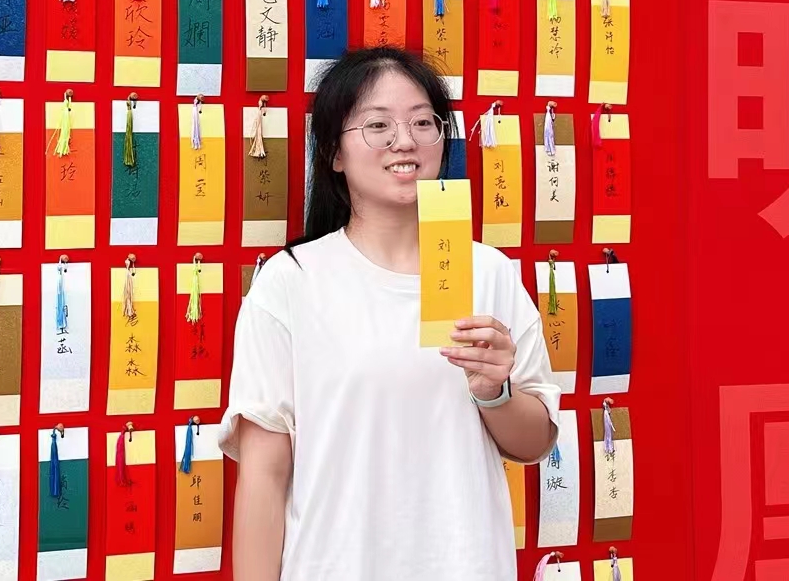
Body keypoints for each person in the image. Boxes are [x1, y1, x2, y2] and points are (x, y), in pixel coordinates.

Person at [218, 46, 560, 581]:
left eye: (423, 122)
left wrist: (495, 392)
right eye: (378, 125)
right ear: (334, 152)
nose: (405, 141)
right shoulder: (292, 282)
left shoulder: (489, 272)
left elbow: (535, 443)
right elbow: (264, 474)